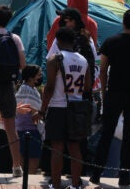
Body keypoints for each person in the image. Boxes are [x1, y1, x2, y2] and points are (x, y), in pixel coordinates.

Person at [90, 9, 130, 186]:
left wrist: (104, 92)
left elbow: (102, 69)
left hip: (114, 91)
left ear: (123, 22)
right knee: (129, 136)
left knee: (107, 134)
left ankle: (96, 172)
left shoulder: (111, 42)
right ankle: (124, 175)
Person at [39, 27, 92, 189]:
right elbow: (88, 87)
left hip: (57, 107)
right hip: (76, 108)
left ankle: (56, 185)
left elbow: (49, 88)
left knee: (57, 148)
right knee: (75, 148)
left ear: (58, 41)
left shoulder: (55, 59)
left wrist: (42, 109)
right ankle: (75, 185)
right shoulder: (83, 60)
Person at [0, 5, 26, 178]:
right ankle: (17, 166)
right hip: (8, 85)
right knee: (10, 126)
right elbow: (23, 64)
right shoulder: (14, 38)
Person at [14, 65, 43, 175]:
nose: (41, 77)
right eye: (39, 75)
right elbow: (27, 107)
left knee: (32, 161)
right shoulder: (25, 89)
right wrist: (41, 112)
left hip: (31, 129)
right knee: (31, 163)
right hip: (27, 129)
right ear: (31, 78)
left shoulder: (33, 89)